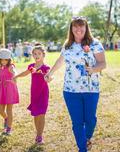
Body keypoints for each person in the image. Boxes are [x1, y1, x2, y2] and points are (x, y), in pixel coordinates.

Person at [45, 16, 106, 152]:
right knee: (77, 123)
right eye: (75, 26)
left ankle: (87, 138)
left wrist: (94, 69)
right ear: (71, 29)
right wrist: (50, 73)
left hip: (91, 89)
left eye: (81, 26)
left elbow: (103, 63)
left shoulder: (95, 44)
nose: (78, 29)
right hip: (70, 90)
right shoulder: (67, 45)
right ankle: (82, 148)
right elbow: (60, 61)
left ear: (86, 28)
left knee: (90, 120)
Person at [14, 45, 50, 144]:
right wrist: (16, 76)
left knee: (42, 114)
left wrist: (48, 77)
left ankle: (39, 135)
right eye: (34, 54)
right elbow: (25, 73)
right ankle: (37, 133)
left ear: (43, 55)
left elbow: (50, 76)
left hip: (43, 93)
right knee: (36, 114)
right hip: (34, 93)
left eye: (39, 54)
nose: (36, 55)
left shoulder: (46, 67)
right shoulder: (31, 66)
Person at [0, 48, 19, 135]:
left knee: (9, 110)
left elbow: (14, 71)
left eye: (6, 59)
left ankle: (9, 128)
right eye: (2, 59)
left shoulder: (10, 66)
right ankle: (6, 118)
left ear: (9, 59)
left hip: (10, 90)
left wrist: (15, 76)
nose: (4, 61)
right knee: (1, 110)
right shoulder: (0, 66)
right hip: (2, 90)